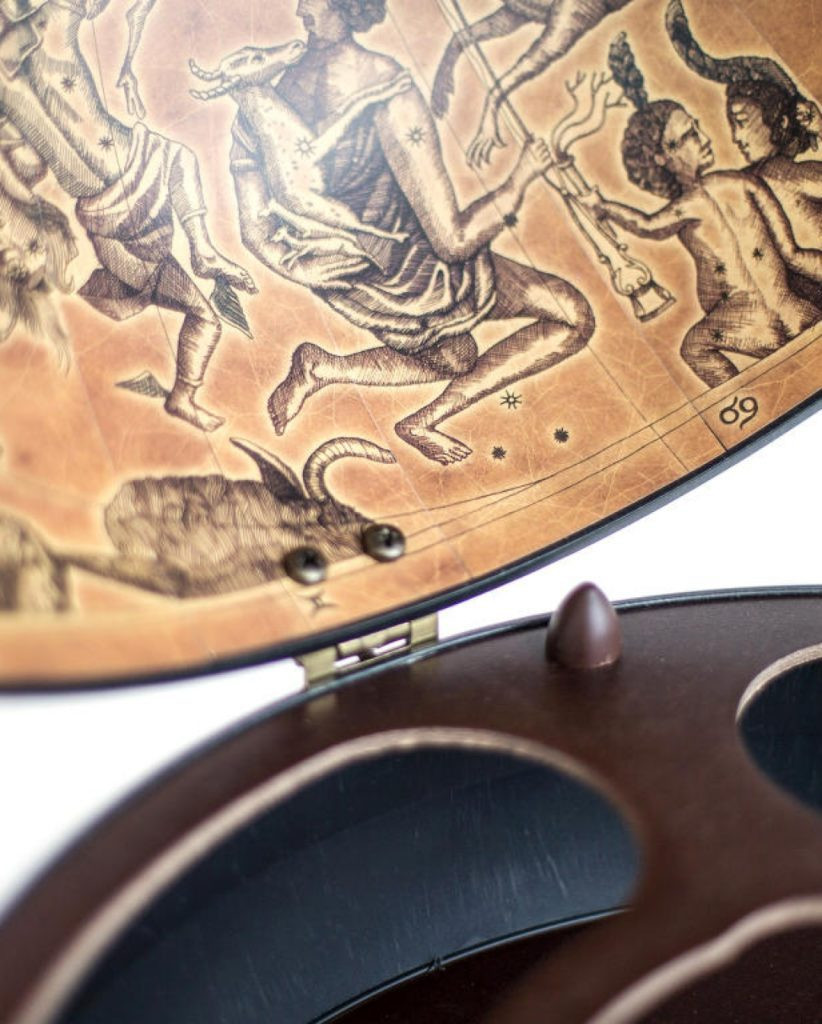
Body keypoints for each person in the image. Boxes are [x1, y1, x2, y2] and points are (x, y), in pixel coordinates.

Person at [211, 0, 594, 465]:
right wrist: (520, 179)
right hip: (424, 271)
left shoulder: (252, 116)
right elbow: (452, 240)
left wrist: (307, 268)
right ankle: (415, 416)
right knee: (570, 316)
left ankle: (327, 369)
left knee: (454, 358)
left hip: (356, 285)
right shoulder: (384, 85)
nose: (299, 7)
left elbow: (256, 232)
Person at [0, 0, 256, 431]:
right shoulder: (45, 29)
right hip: (119, 189)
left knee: (190, 306)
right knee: (198, 312)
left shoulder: (38, 37)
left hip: (123, 180)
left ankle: (200, 254)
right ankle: (200, 259)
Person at [592, 35, 821, 388]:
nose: (703, 137)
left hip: (747, 320)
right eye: (689, 135)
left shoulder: (694, 203)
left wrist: (605, 207)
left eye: (696, 127)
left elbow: (646, 224)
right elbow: (791, 253)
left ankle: (738, 393)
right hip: (794, 310)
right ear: (663, 157)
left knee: (693, 348)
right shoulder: (741, 182)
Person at [666, 0, 822, 308]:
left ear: (781, 121)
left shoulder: (787, 174)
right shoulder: (748, 182)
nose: (736, 138)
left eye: (741, 122)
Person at [431, 0, 633, 167]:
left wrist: (492, 102)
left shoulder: (578, 8)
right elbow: (507, 18)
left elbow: (537, 57)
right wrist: (455, 46)